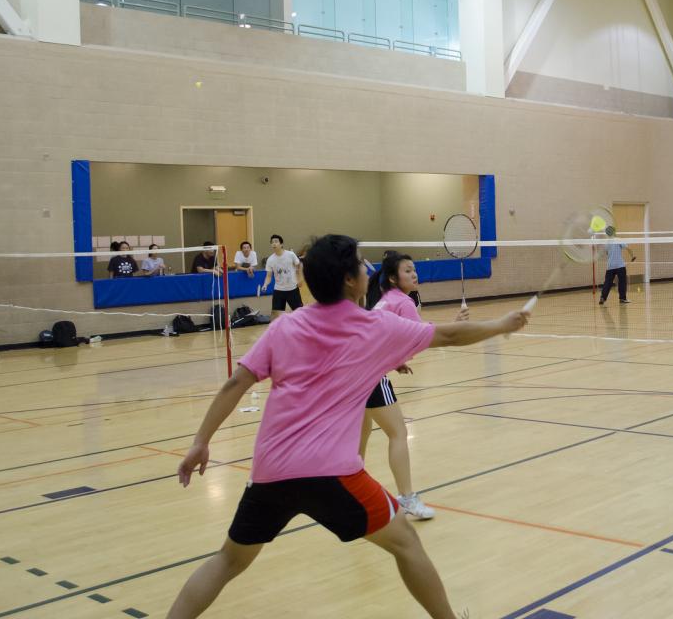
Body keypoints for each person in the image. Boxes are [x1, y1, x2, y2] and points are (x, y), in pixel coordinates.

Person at [167, 234, 529, 619]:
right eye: (360, 264)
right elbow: (451, 335)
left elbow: (235, 383)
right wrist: (502, 323)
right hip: (333, 474)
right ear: (349, 281)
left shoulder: (284, 327)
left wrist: (201, 442)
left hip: (271, 473)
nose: (367, 269)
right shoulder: (377, 327)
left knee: (228, 561)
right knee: (405, 541)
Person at [359, 252, 468, 522]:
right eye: (408, 271)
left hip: (353, 373)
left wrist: (395, 361)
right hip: (370, 375)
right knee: (398, 432)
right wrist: (455, 326)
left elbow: (384, 338)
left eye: (414, 269)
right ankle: (407, 497)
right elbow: (424, 339)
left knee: (358, 437)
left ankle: (350, 493)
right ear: (394, 278)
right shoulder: (404, 302)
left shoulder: (385, 300)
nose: (414, 274)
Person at [261, 234, 303, 316]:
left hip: (292, 289)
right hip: (279, 290)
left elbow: (299, 266)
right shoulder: (270, 260)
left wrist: (300, 279)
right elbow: (268, 276)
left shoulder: (290, 255)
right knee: (276, 315)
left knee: (299, 313)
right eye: (272, 242)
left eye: (276, 242)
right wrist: (265, 284)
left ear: (281, 244)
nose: (274, 244)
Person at [598, 228, 636, 305]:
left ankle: (603, 297)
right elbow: (628, 248)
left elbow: (606, 253)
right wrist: (632, 256)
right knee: (622, 282)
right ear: (614, 232)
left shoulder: (606, 243)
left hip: (610, 266)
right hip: (620, 265)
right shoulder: (618, 239)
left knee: (607, 283)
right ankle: (622, 298)